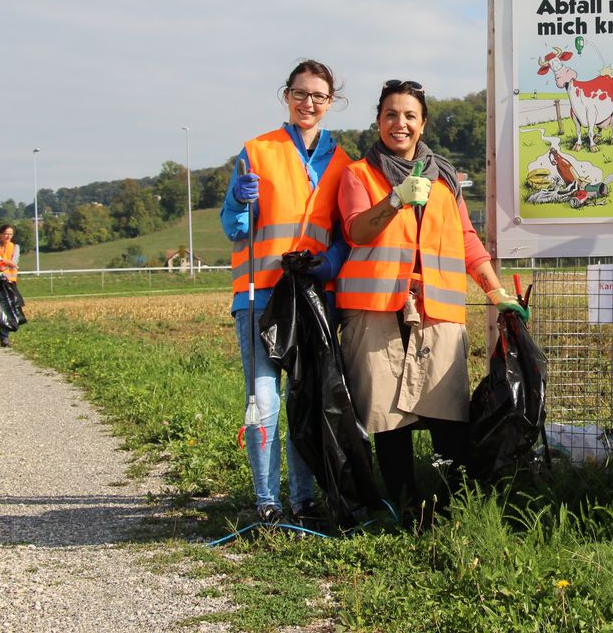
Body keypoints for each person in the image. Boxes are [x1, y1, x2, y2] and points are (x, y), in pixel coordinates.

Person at [335, 79, 526, 521]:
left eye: (408, 116)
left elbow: (466, 241)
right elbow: (356, 231)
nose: (398, 124)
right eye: (390, 115)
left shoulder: (444, 178)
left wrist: (494, 290)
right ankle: (406, 508)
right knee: (389, 417)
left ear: (422, 124)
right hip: (377, 311)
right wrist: (395, 200)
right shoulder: (358, 174)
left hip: (437, 312)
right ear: (378, 120)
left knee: (447, 414)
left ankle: (455, 507)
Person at [220, 59, 353, 526]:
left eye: (318, 95)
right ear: (286, 95)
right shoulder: (256, 151)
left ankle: (303, 499)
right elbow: (232, 228)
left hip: (312, 298)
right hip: (258, 296)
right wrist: (239, 198)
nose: (308, 102)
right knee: (264, 397)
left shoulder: (343, 163)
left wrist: (330, 263)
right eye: (300, 93)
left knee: (304, 398)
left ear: (330, 102)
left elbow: (344, 232)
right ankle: (265, 500)